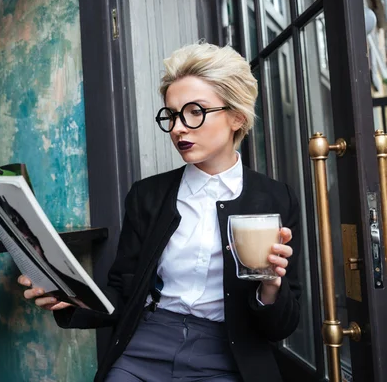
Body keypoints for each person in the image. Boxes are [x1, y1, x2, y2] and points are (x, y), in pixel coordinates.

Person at [18, 42, 301, 382]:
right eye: (172, 114)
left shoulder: (273, 198)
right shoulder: (147, 195)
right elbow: (124, 292)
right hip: (147, 343)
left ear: (236, 117)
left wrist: (270, 286)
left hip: (228, 351)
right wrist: (68, 297)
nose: (178, 127)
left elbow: (283, 324)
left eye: (195, 111)